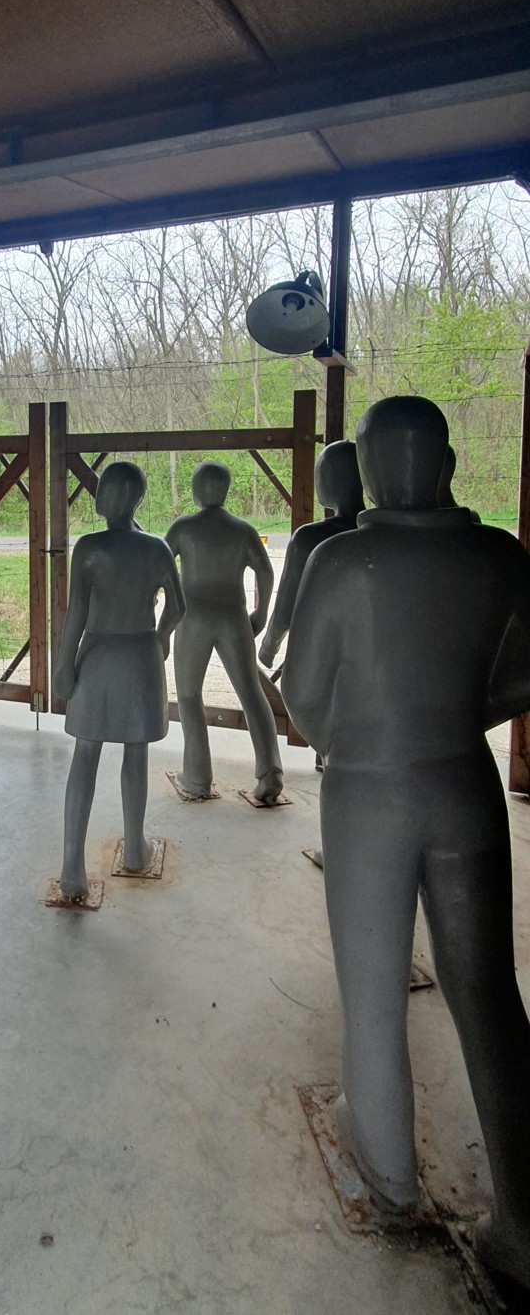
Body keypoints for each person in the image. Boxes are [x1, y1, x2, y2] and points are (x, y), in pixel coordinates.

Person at [281, 395, 530, 1289]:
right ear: (449, 466)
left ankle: (390, 1177)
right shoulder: (500, 555)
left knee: (375, 989)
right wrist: (460, 717)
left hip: (368, 792)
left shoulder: (346, 561)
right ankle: (524, 1226)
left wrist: (356, 741)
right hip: (465, 781)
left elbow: (301, 696)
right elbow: (523, 678)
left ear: (370, 472)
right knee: (489, 993)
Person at [53, 462, 185, 901]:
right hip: (140, 654)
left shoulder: (89, 548)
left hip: (98, 653)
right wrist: (162, 637)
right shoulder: (157, 548)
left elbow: (76, 613)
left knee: (86, 753)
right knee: (135, 749)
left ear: (111, 498)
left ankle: (72, 866)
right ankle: (134, 849)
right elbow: (178, 606)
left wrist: (64, 665)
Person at [165, 461, 282, 802]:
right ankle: (271, 771)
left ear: (196, 491)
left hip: (194, 616)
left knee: (189, 696)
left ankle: (197, 776)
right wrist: (261, 612)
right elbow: (266, 571)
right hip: (234, 617)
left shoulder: (184, 528)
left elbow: (161, 565)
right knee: (251, 692)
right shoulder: (243, 530)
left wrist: (163, 608)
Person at [259, 441, 364, 670]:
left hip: (322, 655)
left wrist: (269, 647)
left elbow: (285, 608)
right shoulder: (387, 535)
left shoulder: (309, 538)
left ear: (327, 481)